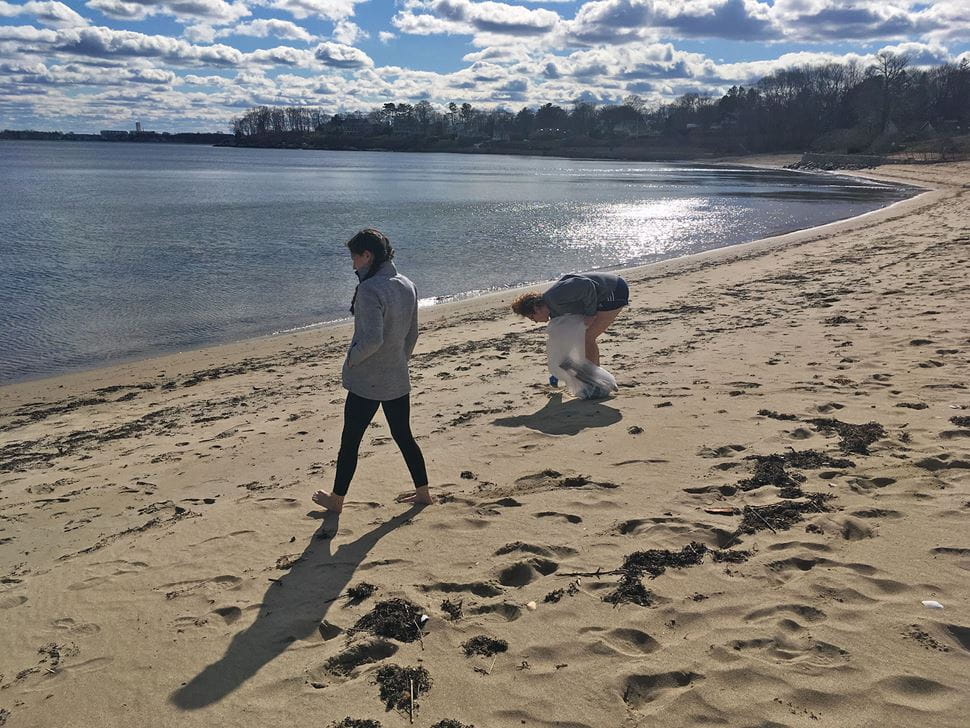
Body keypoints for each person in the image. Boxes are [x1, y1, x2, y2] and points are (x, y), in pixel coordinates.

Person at [312, 229, 432, 513]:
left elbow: (373, 339)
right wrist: (399, 360)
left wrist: (352, 359)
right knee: (403, 435)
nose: (353, 264)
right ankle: (423, 492)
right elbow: (412, 334)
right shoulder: (407, 284)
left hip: (368, 380)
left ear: (367, 256)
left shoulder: (369, 289)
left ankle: (337, 500)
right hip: (397, 375)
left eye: (354, 258)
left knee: (350, 441)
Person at [510, 272, 629, 365]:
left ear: (537, 308)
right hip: (602, 296)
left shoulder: (554, 297)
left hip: (613, 289)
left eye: (532, 318)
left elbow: (586, 284)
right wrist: (558, 369)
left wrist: (590, 314)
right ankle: (594, 378)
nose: (535, 322)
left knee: (587, 337)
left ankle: (596, 381)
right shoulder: (555, 314)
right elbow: (564, 341)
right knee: (583, 338)